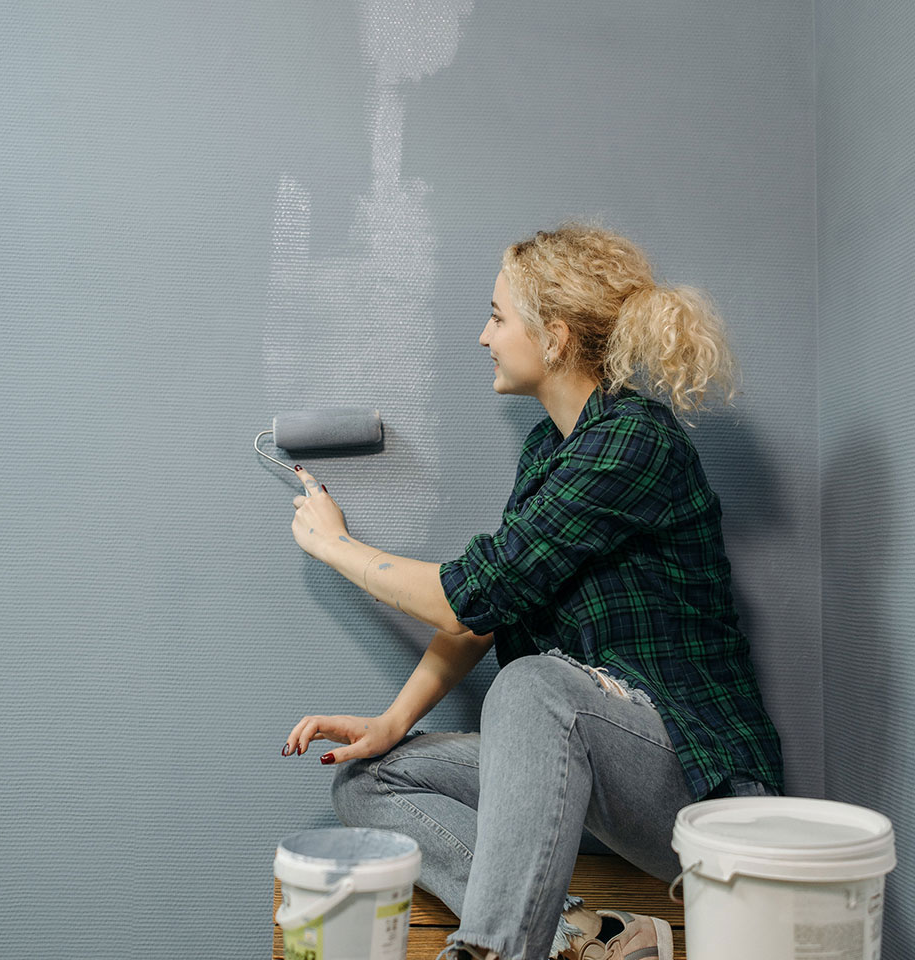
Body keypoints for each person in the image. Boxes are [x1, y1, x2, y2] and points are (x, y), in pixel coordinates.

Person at [281, 221, 784, 960]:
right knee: (366, 781)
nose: (484, 336)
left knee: (532, 685)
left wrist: (335, 545)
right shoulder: (549, 449)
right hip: (596, 764)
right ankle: (583, 935)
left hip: (701, 794)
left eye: (495, 315)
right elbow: (488, 611)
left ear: (552, 338)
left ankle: (489, 951)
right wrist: (392, 722)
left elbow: (465, 596)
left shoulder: (634, 441)